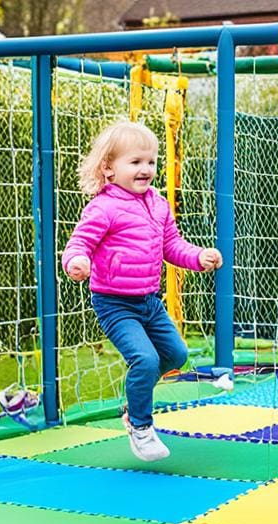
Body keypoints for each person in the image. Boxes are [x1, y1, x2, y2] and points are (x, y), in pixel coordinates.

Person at [62, 121, 222, 461]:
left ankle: (133, 401)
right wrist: (76, 261)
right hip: (115, 303)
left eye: (150, 162)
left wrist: (198, 257)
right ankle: (140, 425)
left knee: (176, 356)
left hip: (149, 301)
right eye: (135, 162)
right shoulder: (103, 207)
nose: (145, 169)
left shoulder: (159, 205)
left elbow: (172, 246)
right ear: (109, 168)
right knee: (145, 359)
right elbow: (79, 243)